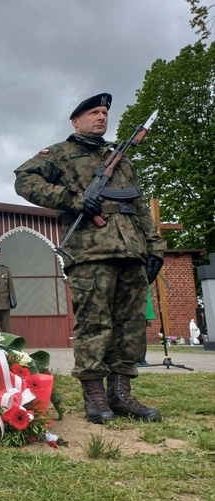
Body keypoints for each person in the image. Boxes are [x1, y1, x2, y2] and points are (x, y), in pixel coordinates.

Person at [14, 92, 166, 424]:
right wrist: (73, 199)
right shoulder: (60, 153)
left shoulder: (121, 158)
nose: (101, 117)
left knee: (131, 326)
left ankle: (121, 393)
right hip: (90, 252)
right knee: (94, 324)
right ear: (76, 120)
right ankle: (95, 395)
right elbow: (24, 180)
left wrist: (155, 247)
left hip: (132, 251)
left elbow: (138, 206)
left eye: (105, 113)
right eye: (94, 112)